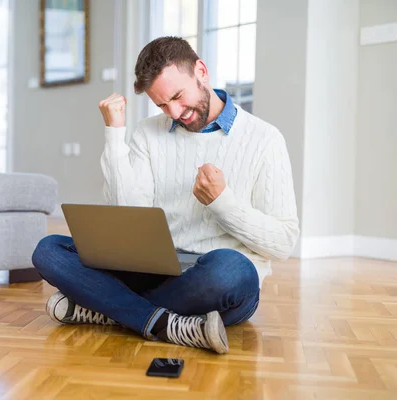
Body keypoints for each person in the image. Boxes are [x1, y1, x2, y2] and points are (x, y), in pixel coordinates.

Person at [32, 36, 299, 354]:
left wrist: (222, 202)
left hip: (212, 281)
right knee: (49, 249)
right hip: (153, 268)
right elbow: (127, 215)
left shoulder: (264, 139)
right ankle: (165, 323)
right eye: (161, 104)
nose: (174, 112)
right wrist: (115, 135)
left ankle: (108, 310)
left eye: (177, 96)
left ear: (201, 71)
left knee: (233, 271)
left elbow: (283, 243)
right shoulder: (148, 132)